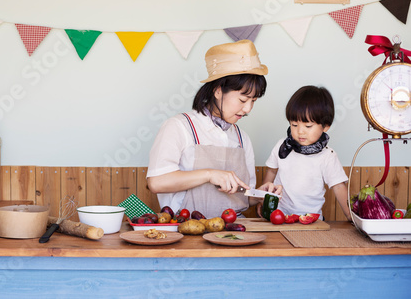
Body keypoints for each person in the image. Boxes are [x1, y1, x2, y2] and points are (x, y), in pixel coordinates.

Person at [147, 39, 282, 218]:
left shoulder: (242, 139)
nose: (248, 109)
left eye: (253, 101)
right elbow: (156, 183)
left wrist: (259, 195)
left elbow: (244, 199)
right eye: (243, 100)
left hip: (236, 233)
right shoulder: (179, 126)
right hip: (186, 231)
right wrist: (210, 174)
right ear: (218, 91)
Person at [262, 85, 351, 220]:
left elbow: (339, 187)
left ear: (326, 126)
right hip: (279, 217)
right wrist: (263, 201)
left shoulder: (327, 156)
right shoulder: (282, 146)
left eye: (308, 126)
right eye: (294, 125)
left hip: (312, 221)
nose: (300, 131)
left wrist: (351, 216)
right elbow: (271, 171)